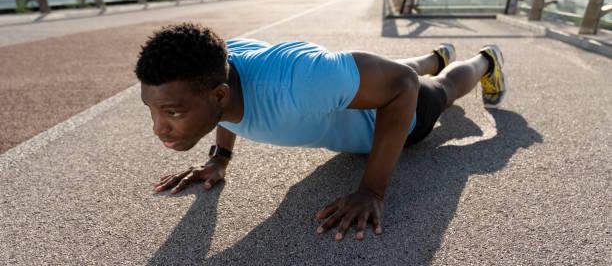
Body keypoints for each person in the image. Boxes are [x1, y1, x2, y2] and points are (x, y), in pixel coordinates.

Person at [137, 22, 506, 242]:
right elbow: (220, 105)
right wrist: (220, 158)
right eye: (151, 110)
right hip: (338, 89)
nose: (159, 129)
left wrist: (371, 189)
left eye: (172, 113)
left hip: (393, 118)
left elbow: (403, 84)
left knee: (440, 88)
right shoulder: (217, 67)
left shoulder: (301, 83)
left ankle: (484, 60)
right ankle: (435, 54)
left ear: (220, 94)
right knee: (381, 73)